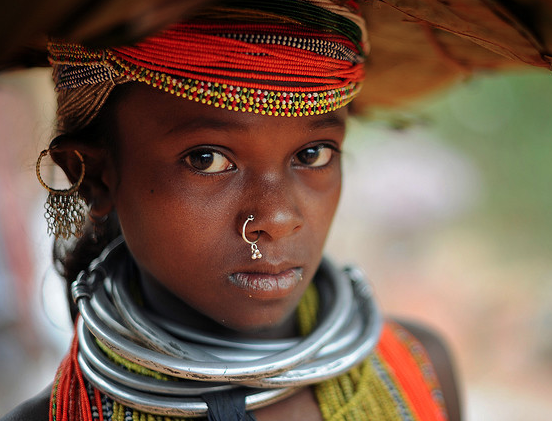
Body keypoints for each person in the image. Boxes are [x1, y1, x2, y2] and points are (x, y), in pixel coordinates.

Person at [2, 1, 460, 420]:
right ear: (95, 175)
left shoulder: (419, 369)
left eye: (313, 154)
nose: (278, 218)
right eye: (208, 160)